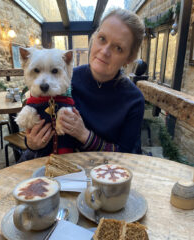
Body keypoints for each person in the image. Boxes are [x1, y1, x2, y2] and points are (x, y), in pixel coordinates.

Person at [22, 7, 145, 160]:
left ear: (128, 59)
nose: (104, 51)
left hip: (103, 175)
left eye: (118, 48)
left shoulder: (134, 100)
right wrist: (31, 142)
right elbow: (33, 117)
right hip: (53, 168)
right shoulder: (61, 79)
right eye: (102, 39)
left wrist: (84, 135)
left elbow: (126, 156)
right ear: (93, 38)